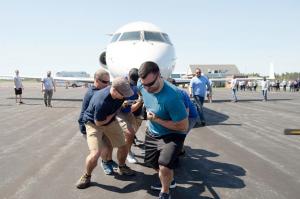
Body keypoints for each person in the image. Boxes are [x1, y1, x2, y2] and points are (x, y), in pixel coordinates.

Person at [138, 62, 188, 199]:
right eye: (144, 84)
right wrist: (140, 101)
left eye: (150, 84)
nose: (147, 88)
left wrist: (156, 119)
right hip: (153, 132)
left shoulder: (173, 97)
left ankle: (165, 192)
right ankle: (170, 180)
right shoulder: (142, 85)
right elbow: (141, 91)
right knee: (152, 163)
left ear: (159, 76)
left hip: (173, 134)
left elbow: (183, 125)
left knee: (164, 165)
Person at [76, 77, 135, 189]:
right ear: (114, 90)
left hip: (109, 120)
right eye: (123, 94)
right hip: (94, 123)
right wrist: (113, 114)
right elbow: (99, 123)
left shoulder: (121, 95)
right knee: (95, 154)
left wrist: (121, 107)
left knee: (123, 146)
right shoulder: (101, 100)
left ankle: (122, 167)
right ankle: (87, 176)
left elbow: (117, 108)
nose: (125, 96)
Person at [77, 69, 118, 175]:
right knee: (102, 149)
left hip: (103, 123)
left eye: (109, 82)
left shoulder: (104, 91)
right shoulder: (92, 94)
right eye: (105, 82)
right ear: (96, 80)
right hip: (91, 124)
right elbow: (84, 113)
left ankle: (108, 160)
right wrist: (84, 129)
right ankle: (104, 163)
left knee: (109, 145)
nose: (107, 85)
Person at [117, 68, 144, 164]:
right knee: (129, 134)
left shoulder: (141, 84)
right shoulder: (124, 86)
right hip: (125, 113)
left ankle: (129, 146)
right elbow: (128, 108)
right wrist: (140, 100)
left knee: (132, 134)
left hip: (137, 114)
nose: (135, 83)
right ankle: (128, 152)